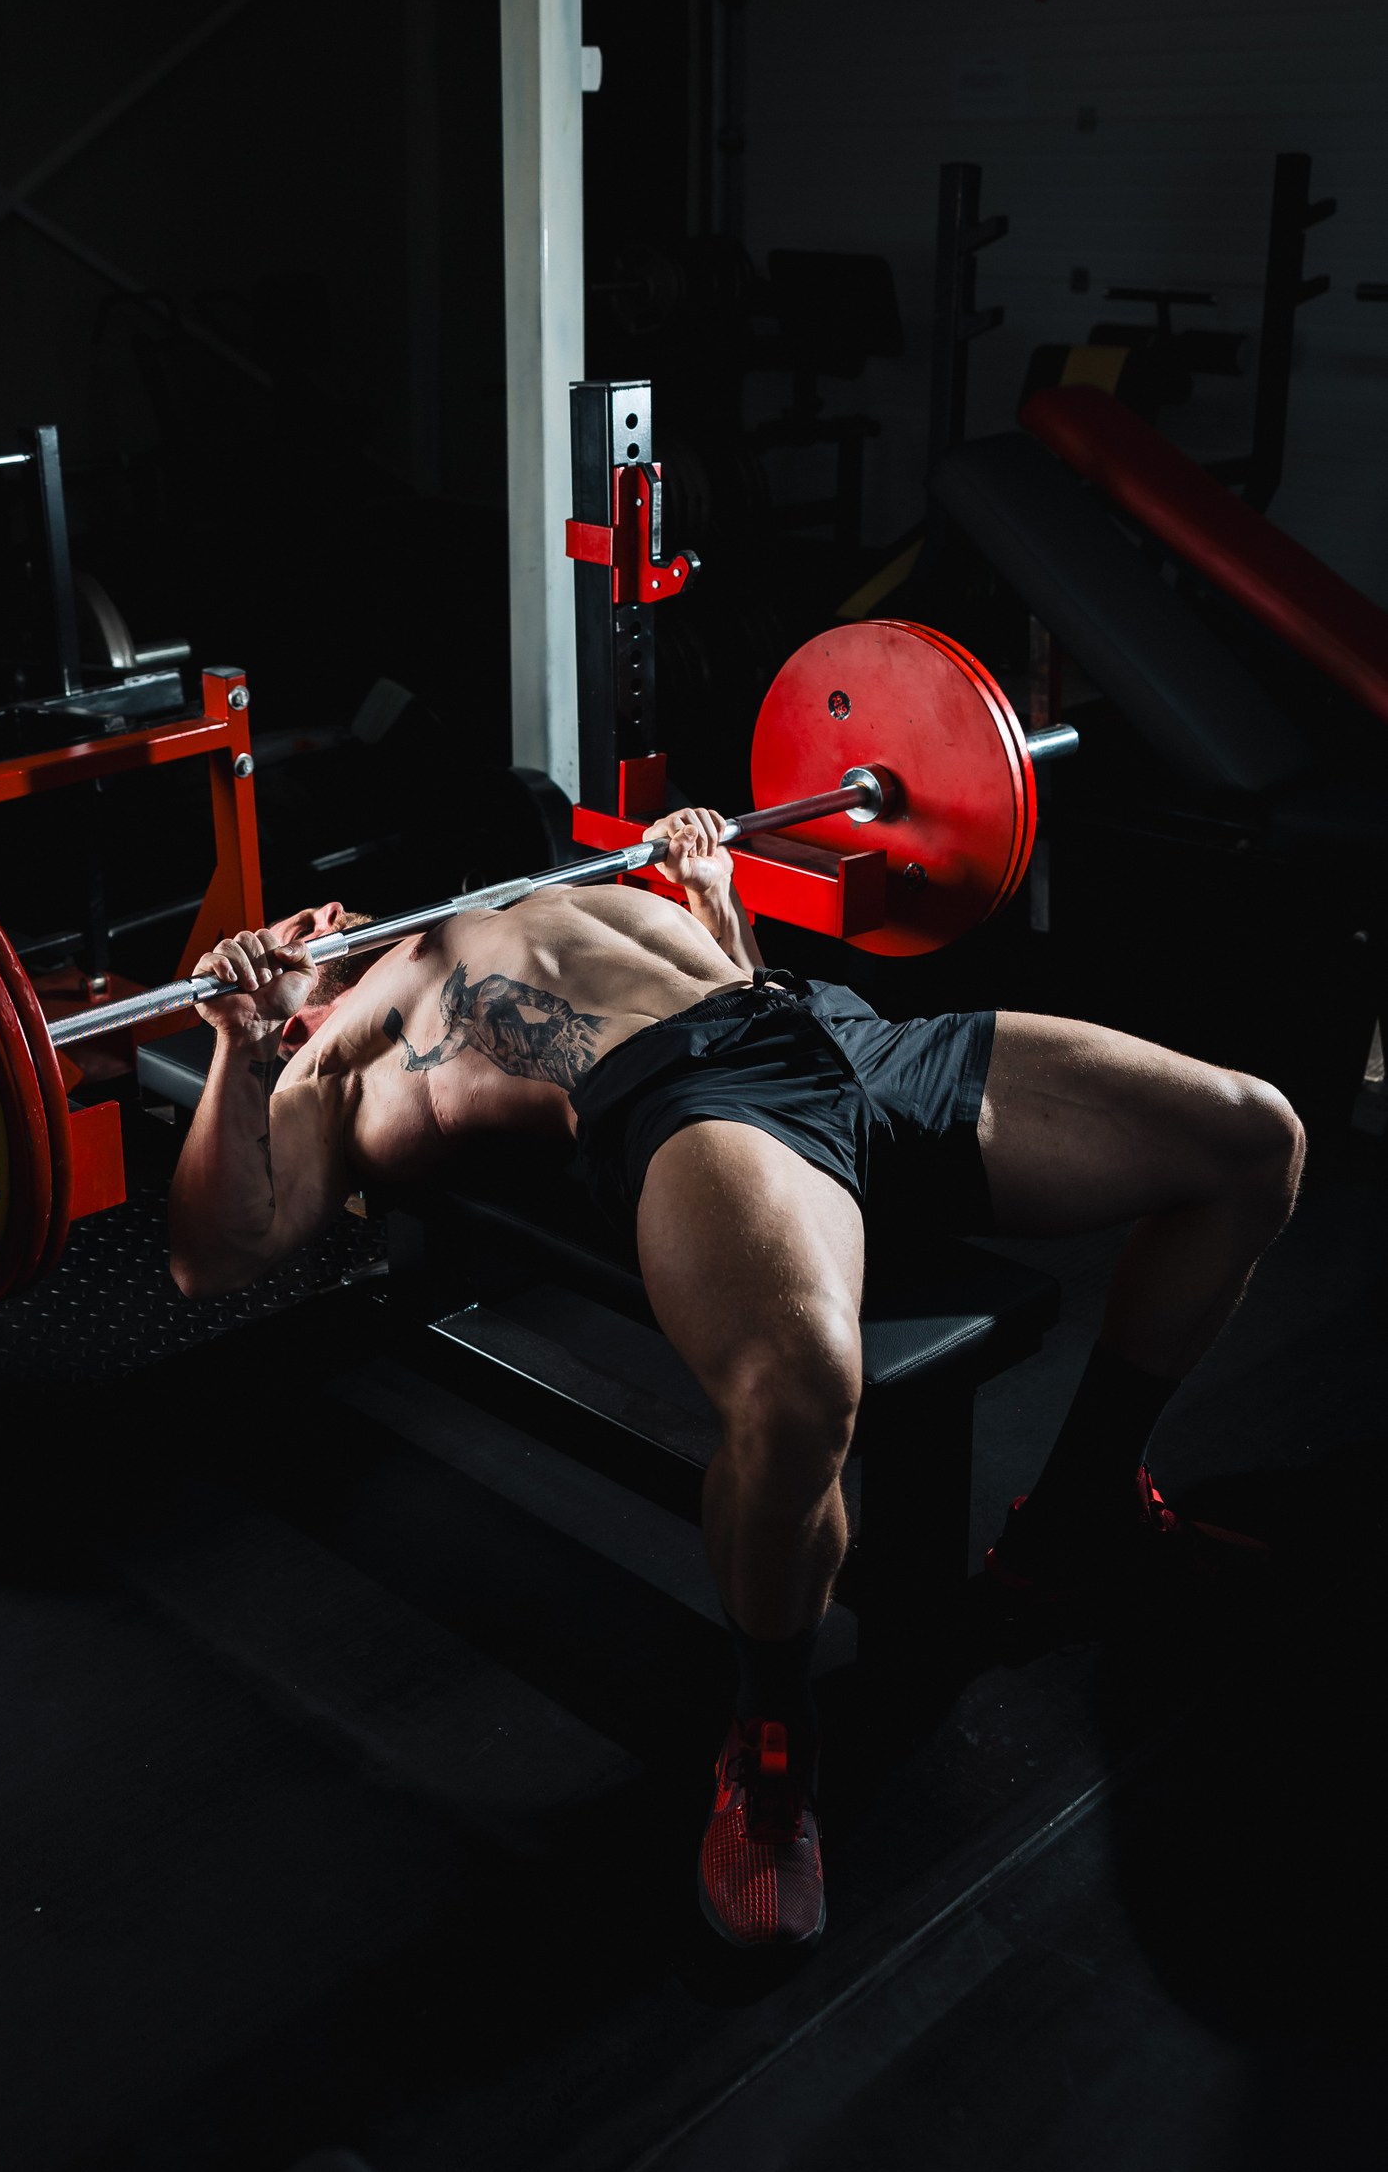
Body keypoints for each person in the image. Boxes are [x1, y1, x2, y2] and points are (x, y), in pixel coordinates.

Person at [168, 809, 1304, 1950]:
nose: (314, 916)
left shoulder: (523, 902)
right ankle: (771, 1742)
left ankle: (1081, 1515)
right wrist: (240, 1037)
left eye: (308, 910)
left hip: (839, 1034)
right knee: (800, 1394)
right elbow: (215, 1255)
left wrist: (715, 898)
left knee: (1255, 1138)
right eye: (288, 930)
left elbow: (730, 979)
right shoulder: (329, 1059)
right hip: (696, 1095)